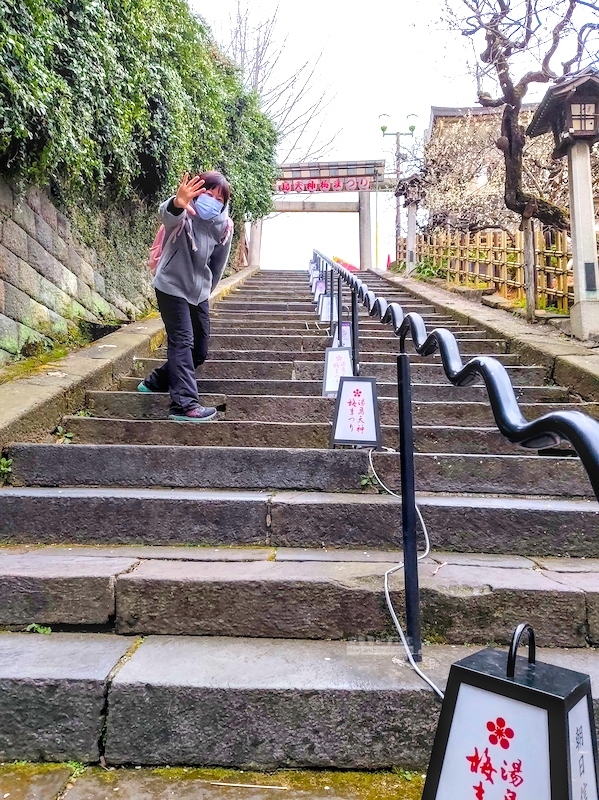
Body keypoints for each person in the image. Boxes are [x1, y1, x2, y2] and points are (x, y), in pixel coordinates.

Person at [138, 171, 233, 422]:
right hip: (171, 285)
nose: (212, 200)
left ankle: (155, 380)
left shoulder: (224, 227)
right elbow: (167, 215)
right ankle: (184, 404)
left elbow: (218, 264)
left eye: (218, 198)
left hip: (198, 291)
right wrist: (178, 202)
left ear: (224, 204)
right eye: (207, 193)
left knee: (199, 351)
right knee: (182, 341)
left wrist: (205, 290)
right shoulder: (184, 214)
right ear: (197, 192)